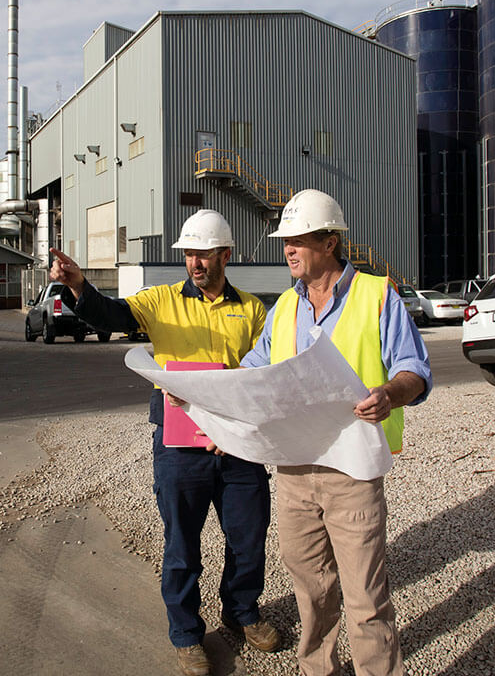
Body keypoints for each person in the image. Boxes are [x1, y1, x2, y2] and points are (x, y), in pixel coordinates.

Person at [49, 209, 281, 676]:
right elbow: (112, 315)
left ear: (225, 255)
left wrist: (242, 425)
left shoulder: (254, 309)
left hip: (236, 442)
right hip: (179, 444)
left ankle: (241, 612)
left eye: (204, 254)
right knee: (181, 543)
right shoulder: (159, 301)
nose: (195, 262)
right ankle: (187, 635)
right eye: (189, 254)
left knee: (248, 536)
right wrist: (78, 287)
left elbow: (265, 377)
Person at [240, 189, 432, 676]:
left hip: (352, 472)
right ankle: (318, 669)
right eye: (285, 240)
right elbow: (251, 373)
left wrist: (389, 393)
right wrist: (201, 394)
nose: (287, 249)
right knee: (311, 592)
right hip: (294, 471)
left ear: (329, 241)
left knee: (365, 596)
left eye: (298, 239)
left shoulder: (376, 295)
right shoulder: (284, 306)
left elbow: (415, 370)